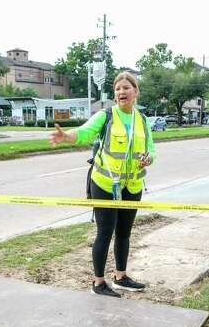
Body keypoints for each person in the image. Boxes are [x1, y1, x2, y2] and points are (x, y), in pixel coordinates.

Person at [49, 72, 155, 298]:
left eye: (126, 88)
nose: (121, 92)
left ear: (135, 92)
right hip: (105, 184)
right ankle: (98, 283)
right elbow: (85, 132)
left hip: (132, 186)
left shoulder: (142, 120)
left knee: (124, 233)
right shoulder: (106, 115)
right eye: (117, 89)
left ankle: (121, 277)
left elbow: (151, 149)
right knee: (105, 233)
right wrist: (66, 136)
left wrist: (149, 158)